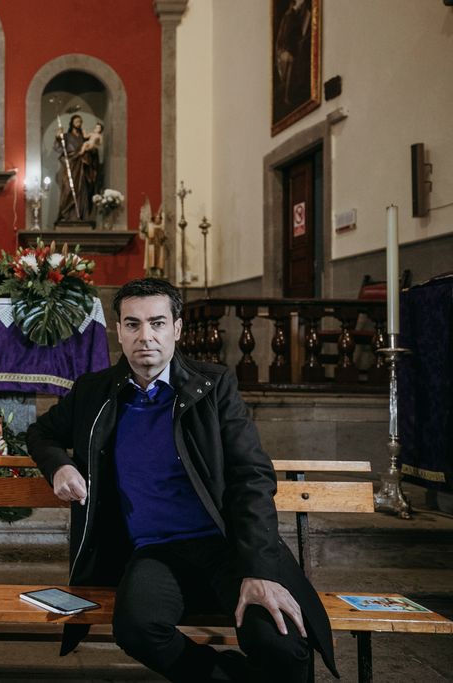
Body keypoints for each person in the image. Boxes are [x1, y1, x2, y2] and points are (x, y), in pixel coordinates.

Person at [26, 278, 338, 682]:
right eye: (133, 324)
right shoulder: (94, 392)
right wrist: (59, 466)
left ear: (176, 328)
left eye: (157, 323)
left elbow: (251, 477)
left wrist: (259, 570)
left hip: (227, 546)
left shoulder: (213, 386)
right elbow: (41, 433)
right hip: (156, 553)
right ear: (118, 331)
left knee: (283, 645)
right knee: (136, 629)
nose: (145, 336)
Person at [53, 114, 100, 224]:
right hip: (71, 165)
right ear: (72, 123)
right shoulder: (66, 136)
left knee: (81, 190)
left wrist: (91, 152)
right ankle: (66, 215)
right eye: (76, 121)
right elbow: (59, 147)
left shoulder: (84, 138)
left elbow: (92, 149)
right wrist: (58, 136)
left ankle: (81, 216)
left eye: (80, 121)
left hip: (82, 167)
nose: (78, 123)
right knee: (68, 189)